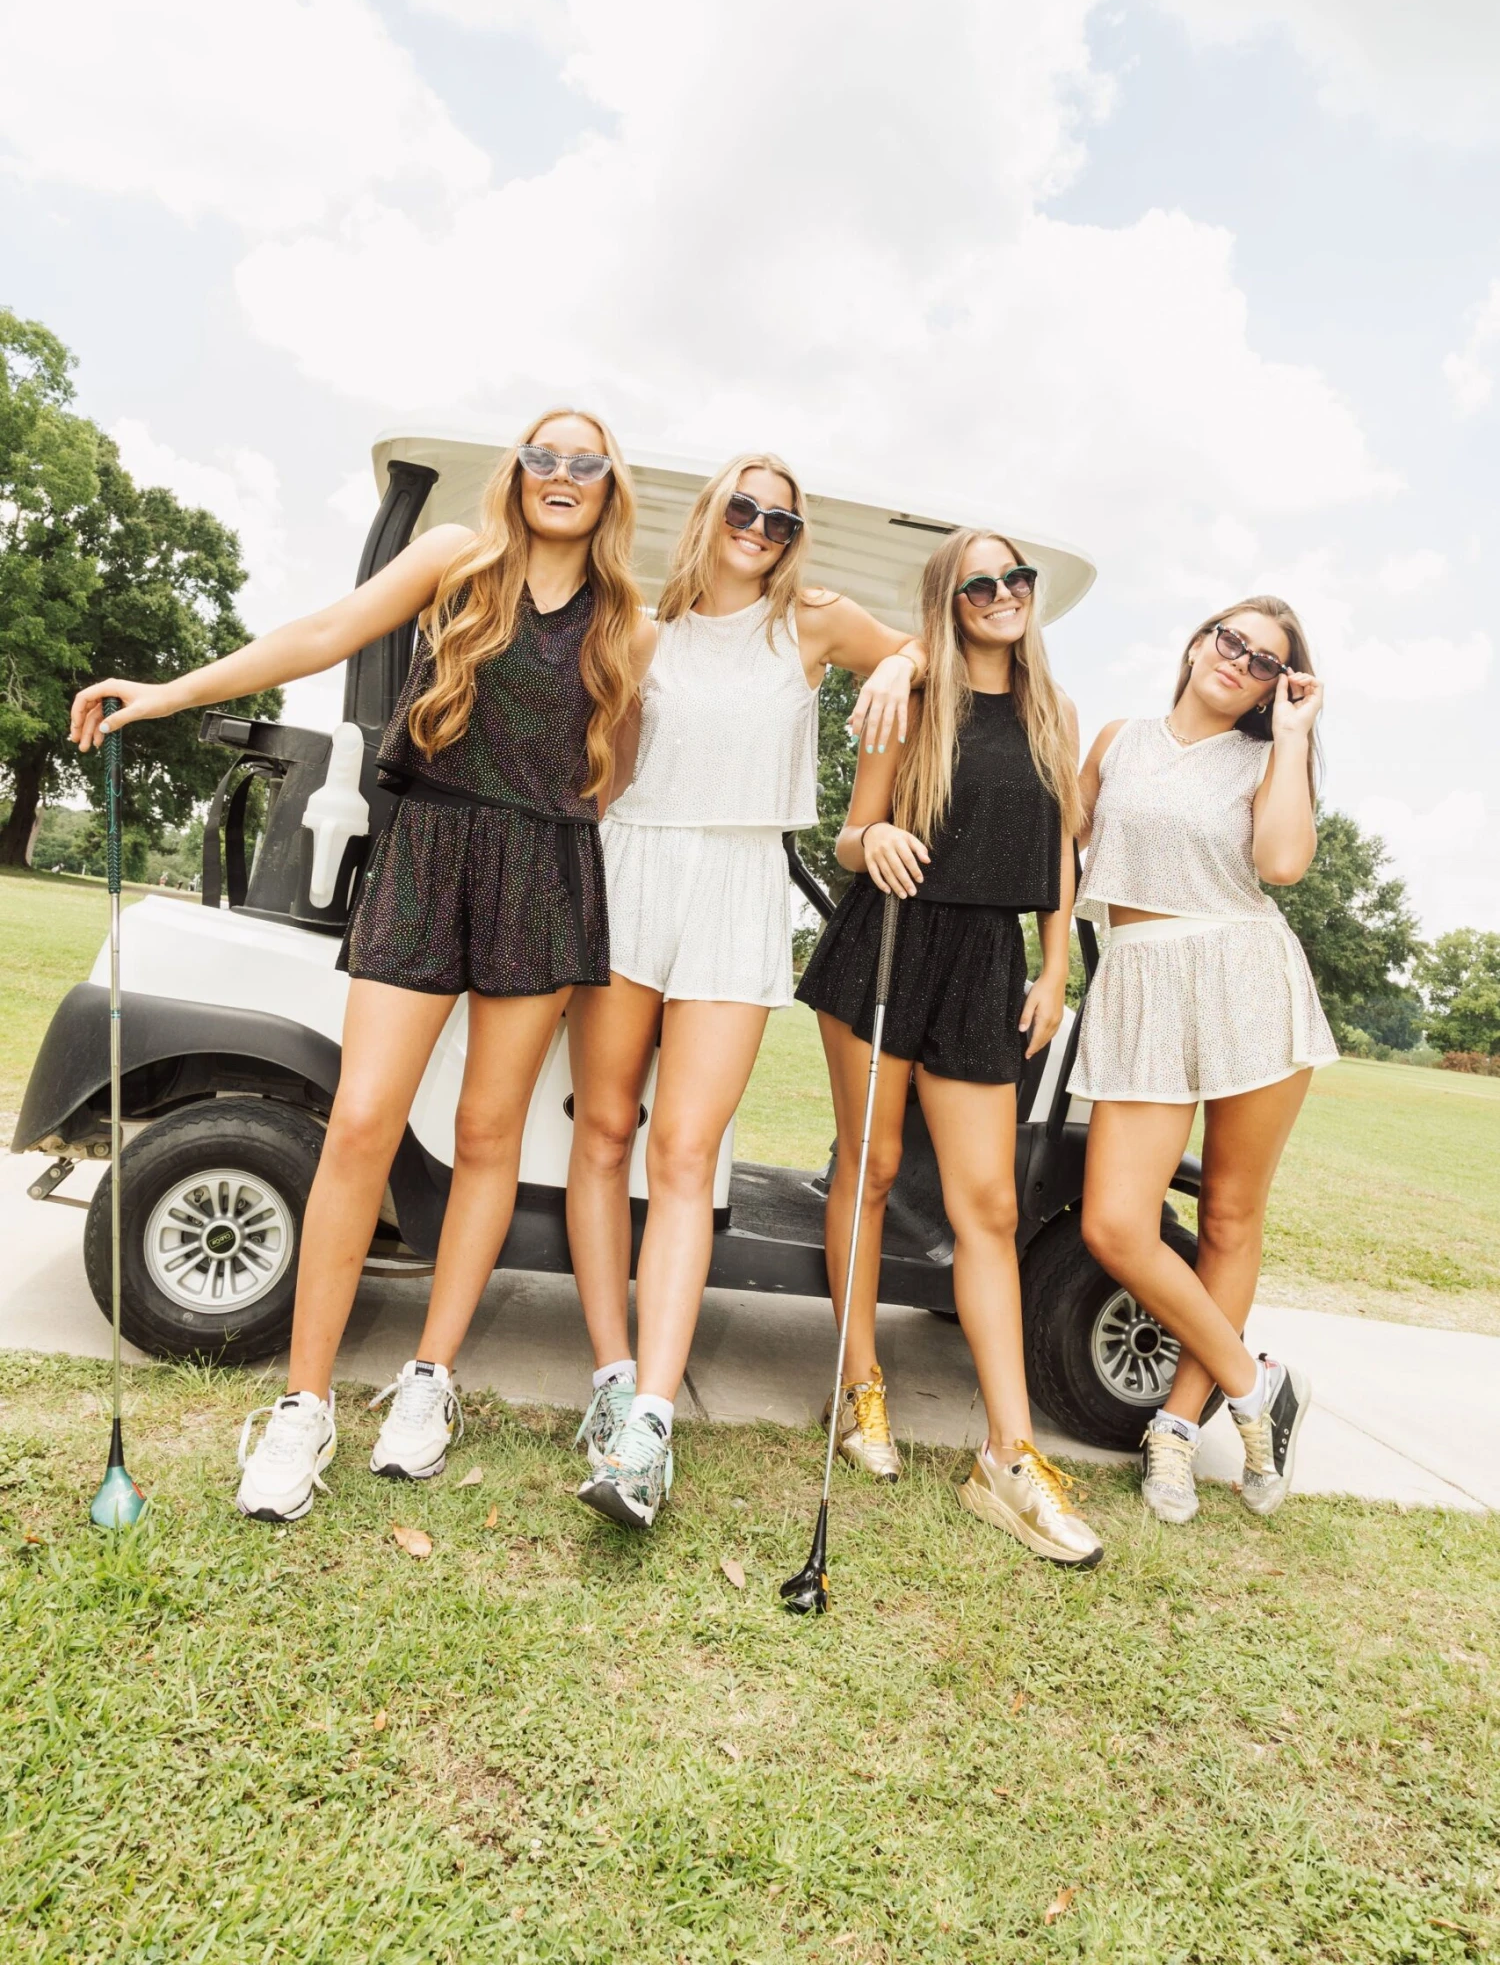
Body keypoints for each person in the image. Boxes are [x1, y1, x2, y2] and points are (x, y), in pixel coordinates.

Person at [70, 409, 648, 1524]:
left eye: (586, 462)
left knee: (488, 1136)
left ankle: (428, 1383)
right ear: (518, 473)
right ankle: (302, 1404)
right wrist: (173, 691)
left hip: (542, 871)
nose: (562, 475)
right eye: (544, 456)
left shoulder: (627, 618)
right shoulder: (455, 560)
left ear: (609, 486)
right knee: (364, 1122)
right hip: (429, 852)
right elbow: (326, 632)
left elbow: (611, 776)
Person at [565, 453, 927, 1528]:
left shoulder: (812, 623)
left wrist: (901, 666)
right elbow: (607, 768)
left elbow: (922, 652)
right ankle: (610, 1378)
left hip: (737, 884)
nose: (760, 527)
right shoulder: (640, 625)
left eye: (780, 517)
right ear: (710, 513)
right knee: (603, 1130)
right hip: (633, 869)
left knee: (685, 1151)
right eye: (745, 507)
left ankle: (653, 1426)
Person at [797, 529, 1104, 1567]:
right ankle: (859, 1389)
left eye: (1017, 578)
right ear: (949, 597)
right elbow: (851, 832)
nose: (1003, 593)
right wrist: (870, 840)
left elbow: (1061, 853)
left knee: (990, 1208)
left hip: (987, 963)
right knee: (872, 1167)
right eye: (980, 582)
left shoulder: (1054, 712)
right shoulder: (910, 695)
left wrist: (1055, 965)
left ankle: (1008, 1458)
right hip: (885, 941)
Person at [1072, 597, 1336, 1527]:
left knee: (1227, 1214)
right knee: (1115, 1223)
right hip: (1140, 985)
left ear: (1277, 688)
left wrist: (1294, 738)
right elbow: (1058, 853)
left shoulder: (1267, 757)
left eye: (1267, 663)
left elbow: (1284, 863)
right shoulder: (1116, 740)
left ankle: (1177, 1432)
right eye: (1232, 641)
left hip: (1246, 979)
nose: (1242, 662)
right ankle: (1254, 1382)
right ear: (1195, 643)